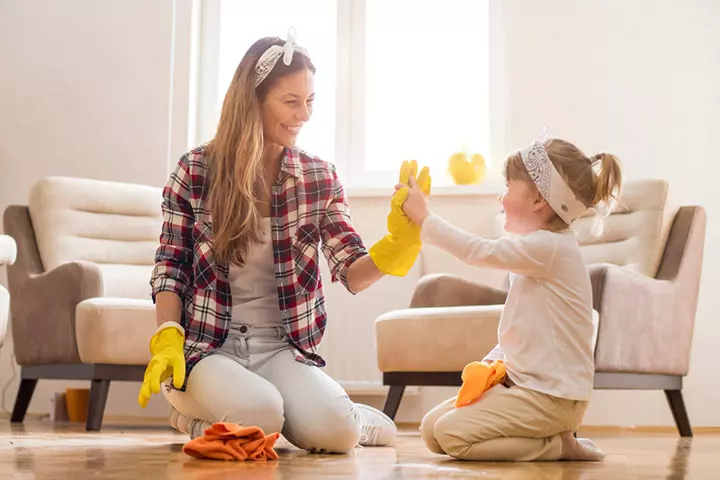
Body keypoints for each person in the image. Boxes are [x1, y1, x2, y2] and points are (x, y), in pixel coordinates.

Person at [136, 29, 431, 454]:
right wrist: (167, 335)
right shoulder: (196, 169)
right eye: (291, 102)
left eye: (310, 101)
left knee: (337, 436)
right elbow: (171, 265)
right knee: (262, 414)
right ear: (251, 100)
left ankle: (340, 420)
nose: (304, 115)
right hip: (208, 346)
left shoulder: (318, 177)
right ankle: (190, 417)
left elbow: (352, 270)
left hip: (280, 347)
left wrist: (398, 243)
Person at [399, 135, 622, 462]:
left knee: (451, 435)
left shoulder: (550, 248)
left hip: (553, 398)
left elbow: (477, 251)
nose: (501, 197)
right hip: (524, 387)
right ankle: (551, 439)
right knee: (432, 430)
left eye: (507, 186)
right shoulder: (538, 251)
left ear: (538, 201)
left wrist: (425, 219)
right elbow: (523, 327)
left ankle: (558, 446)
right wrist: (493, 364)